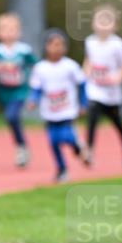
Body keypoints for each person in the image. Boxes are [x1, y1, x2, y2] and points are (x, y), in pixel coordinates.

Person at [27, 29, 89, 183]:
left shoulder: (70, 66)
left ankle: (76, 145)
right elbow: (36, 88)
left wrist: (83, 103)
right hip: (50, 112)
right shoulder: (41, 68)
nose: (57, 48)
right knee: (53, 141)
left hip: (67, 110)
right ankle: (61, 169)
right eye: (53, 45)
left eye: (60, 45)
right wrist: (33, 100)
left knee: (65, 135)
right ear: (46, 47)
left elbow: (82, 84)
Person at [0, 13, 37, 167]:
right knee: (11, 119)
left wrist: (34, 82)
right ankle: (21, 144)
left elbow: (36, 66)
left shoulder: (24, 50)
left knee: (11, 116)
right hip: (3, 91)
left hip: (20, 90)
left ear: (19, 32)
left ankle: (21, 147)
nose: (9, 32)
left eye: (12, 29)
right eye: (4, 29)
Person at [83, 4, 122, 168]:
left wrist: (118, 78)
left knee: (118, 124)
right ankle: (88, 152)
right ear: (93, 23)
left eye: (108, 21)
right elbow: (88, 60)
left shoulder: (118, 44)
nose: (103, 25)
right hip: (95, 90)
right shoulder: (90, 42)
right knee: (92, 120)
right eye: (100, 21)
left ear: (115, 25)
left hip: (112, 94)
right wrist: (85, 74)